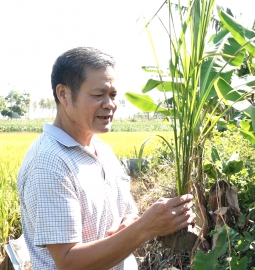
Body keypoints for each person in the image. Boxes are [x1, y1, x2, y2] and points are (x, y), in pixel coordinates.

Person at [17, 47, 195, 270]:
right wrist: (144, 229)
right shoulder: (48, 163)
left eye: (112, 95)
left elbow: (127, 214)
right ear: (63, 94)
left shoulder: (102, 150)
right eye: (98, 95)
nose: (109, 104)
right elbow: (68, 262)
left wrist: (132, 225)